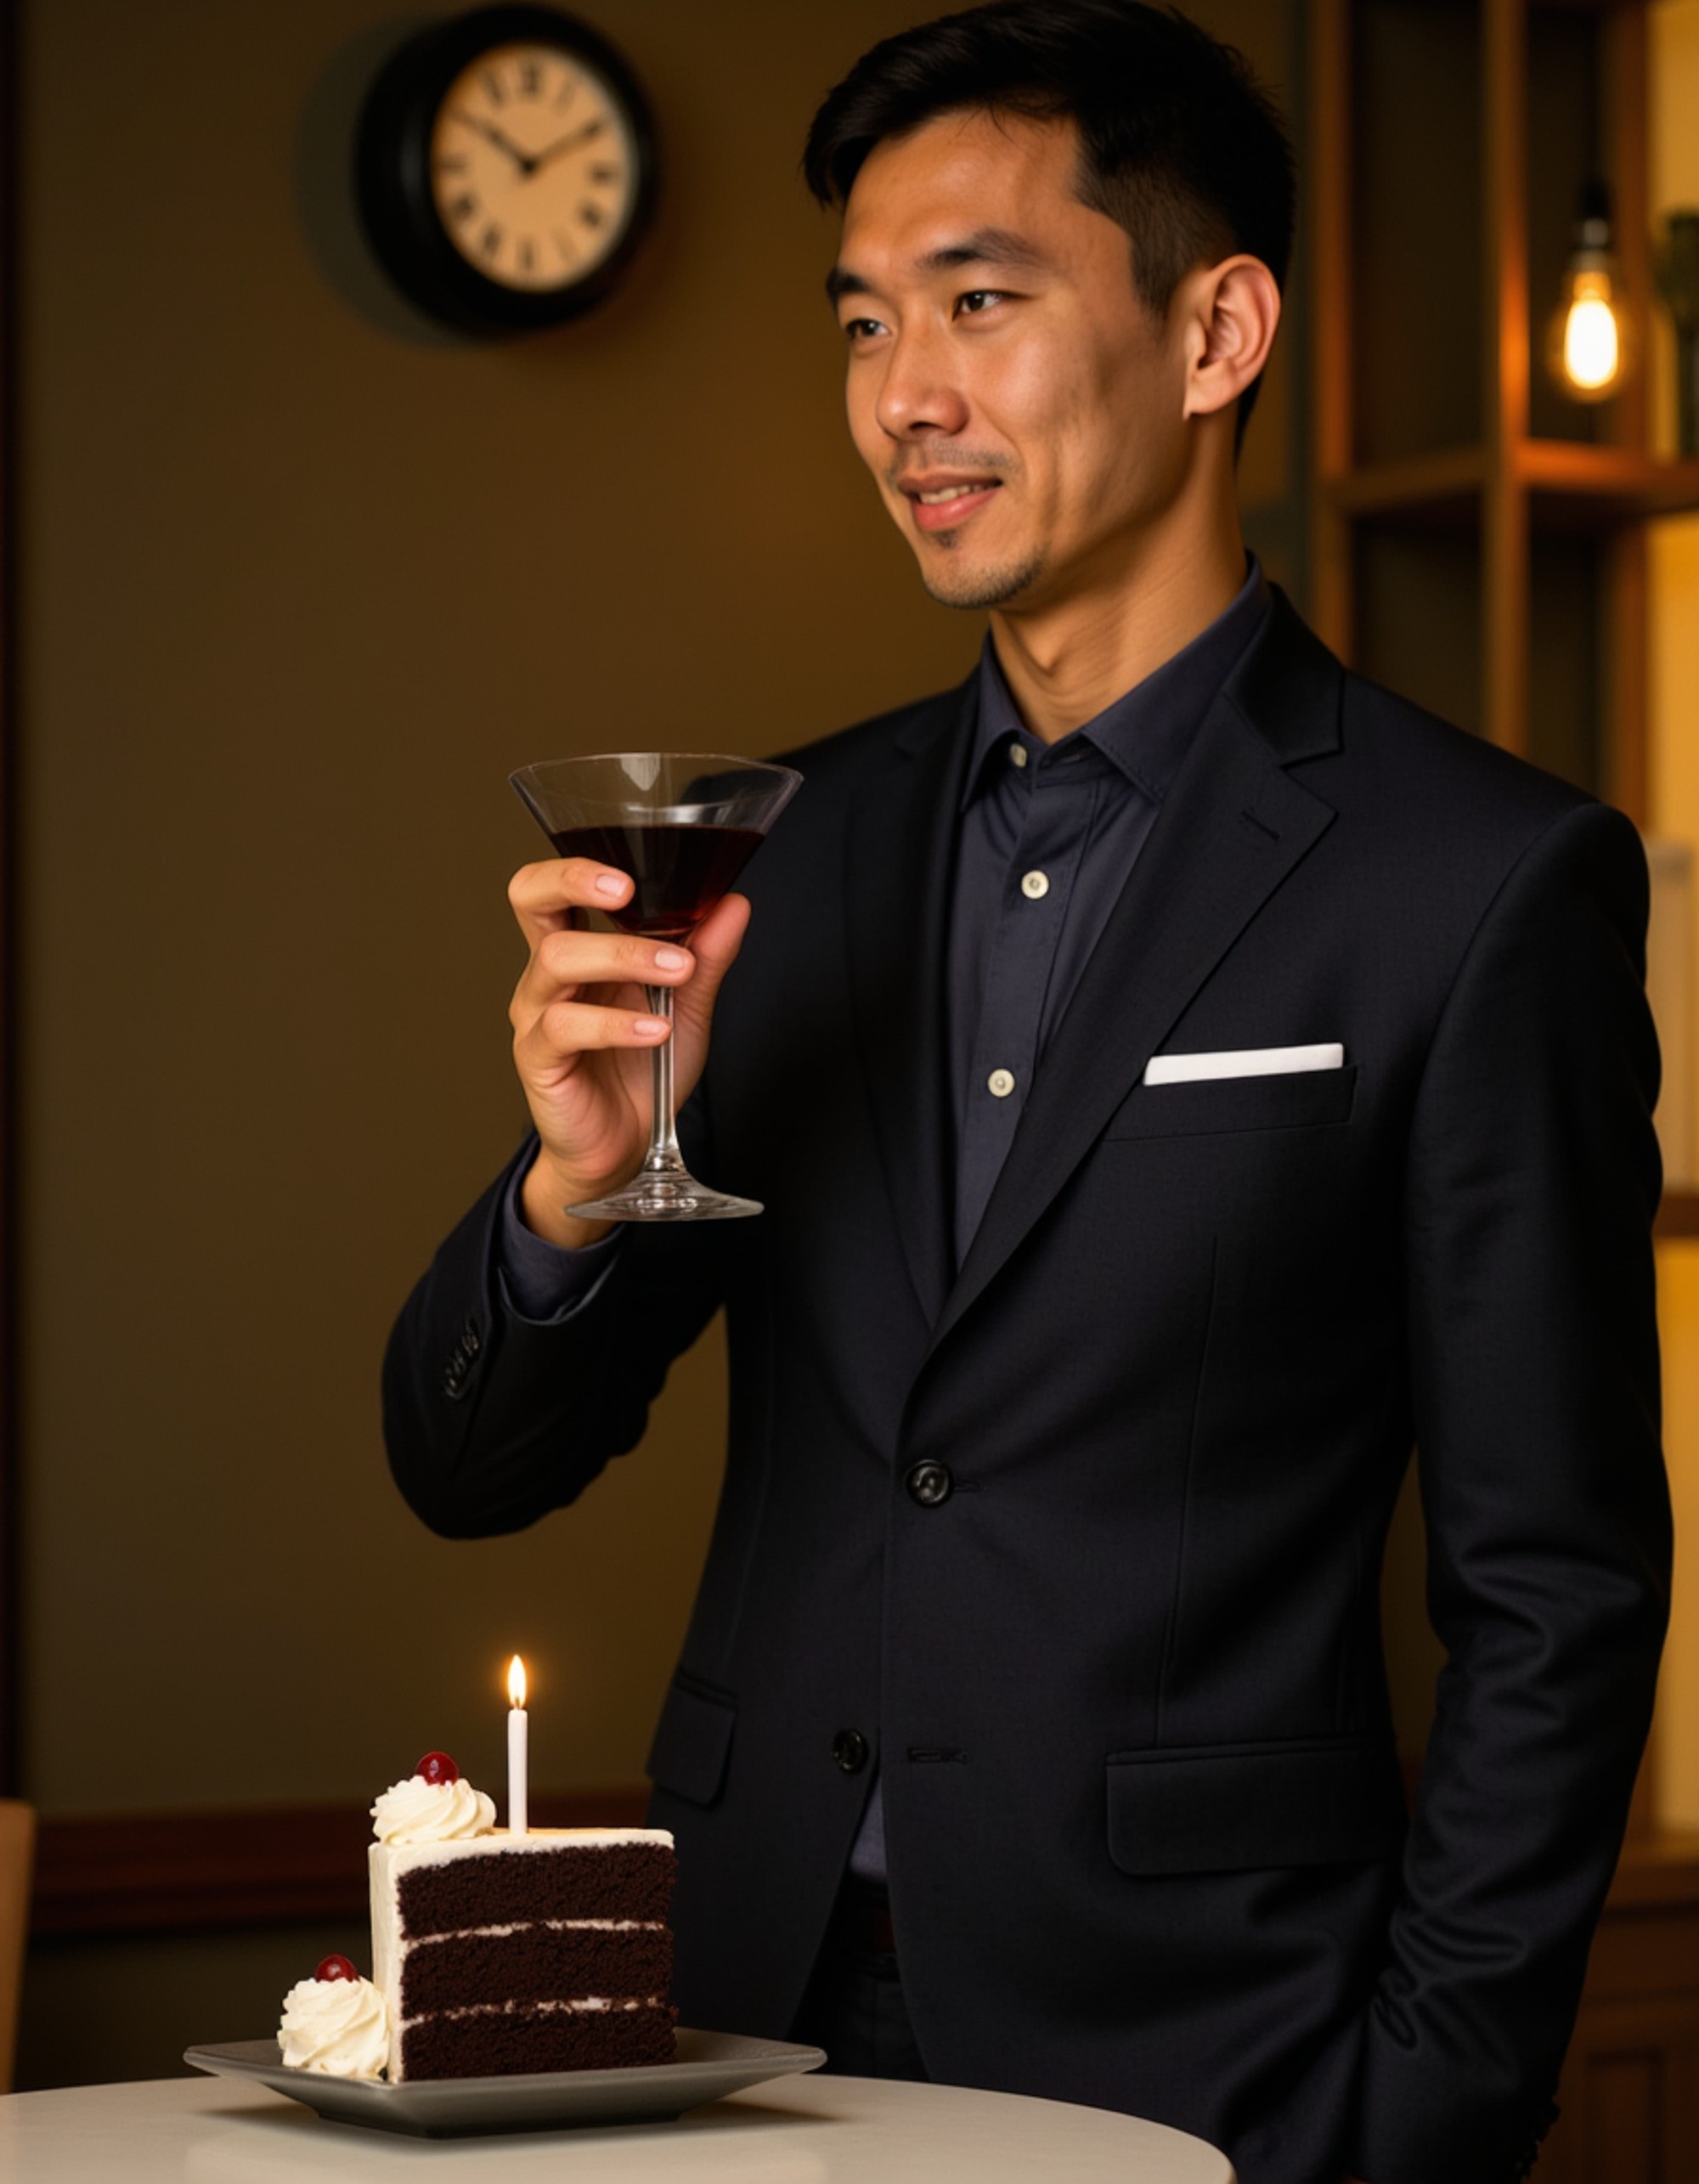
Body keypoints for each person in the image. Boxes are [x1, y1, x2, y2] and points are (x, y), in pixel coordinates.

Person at [382, 6, 1671, 2181]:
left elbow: (1557, 1592)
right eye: (866, 323)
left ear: (1215, 328)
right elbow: (460, 1462)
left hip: (1212, 2059)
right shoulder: (783, 854)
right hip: (730, 2033)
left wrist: (1419, 2117)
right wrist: (576, 1189)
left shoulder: (1476, 882)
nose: (903, 396)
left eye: (981, 300)